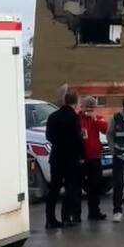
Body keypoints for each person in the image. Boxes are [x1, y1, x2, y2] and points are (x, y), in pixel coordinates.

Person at [45, 90, 84, 229]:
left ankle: (50, 219)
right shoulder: (74, 117)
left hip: (56, 157)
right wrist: (82, 155)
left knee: (54, 189)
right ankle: (66, 217)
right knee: (70, 188)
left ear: (64, 101)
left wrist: (59, 143)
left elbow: (48, 136)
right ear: (75, 103)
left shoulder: (53, 116)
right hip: (71, 159)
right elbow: (78, 138)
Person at [78, 96, 109, 222]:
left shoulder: (97, 119)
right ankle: (76, 214)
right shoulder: (77, 119)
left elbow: (105, 128)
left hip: (95, 157)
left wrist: (94, 119)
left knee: (95, 186)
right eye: (87, 107)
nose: (89, 110)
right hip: (82, 158)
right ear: (82, 107)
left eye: (92, 107)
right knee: (77, 186)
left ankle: (94, 212)